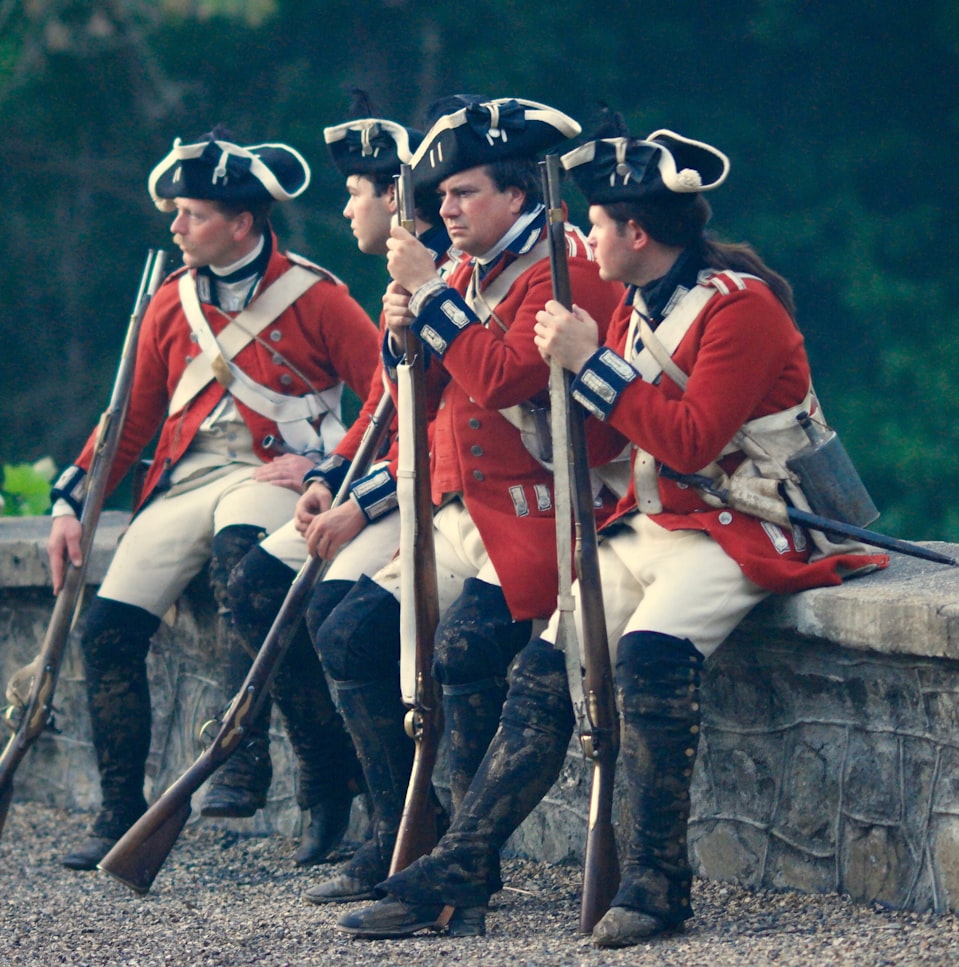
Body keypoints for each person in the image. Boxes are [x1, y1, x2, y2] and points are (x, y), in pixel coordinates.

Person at [334, 129, 890, 945]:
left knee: (650, 658)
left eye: (596, 224)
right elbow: (588, 433)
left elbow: (693, 439)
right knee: (538, 672)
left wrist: (591, 364)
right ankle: (462, 864)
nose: (584, 240)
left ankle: (658, 881)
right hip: (662, 519)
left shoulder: (741, 309)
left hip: (750, 523)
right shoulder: (637, 299)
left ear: (636, 234)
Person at [302, 96, 624, 910]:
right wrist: (402, 327)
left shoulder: (564, 265)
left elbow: (509, 375)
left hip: (543, 511)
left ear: (517, 195)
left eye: (464, 192)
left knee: (464, 652)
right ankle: (399, 829)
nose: (443, 209)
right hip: (467, 507)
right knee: (345, 635)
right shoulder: (463, 272)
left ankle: (463, 867)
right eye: (440, 195)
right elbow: (421, 392)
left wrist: (432, 298)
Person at [47, 127, 380, 871]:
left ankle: (243, 755)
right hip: (188, 477)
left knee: (242, 557)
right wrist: (72, 501)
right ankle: (119, 809)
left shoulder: (319, 296)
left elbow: (387, 386)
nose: (175, 226)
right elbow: (129, 417)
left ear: (242, 221)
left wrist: (325, 462)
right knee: (105, 627)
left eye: (190, 213)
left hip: (273, 477)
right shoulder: (170, 302)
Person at [221, 112, 454, 864]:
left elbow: (445, 439)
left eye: (356, 191)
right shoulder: (403, 282)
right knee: (256, 582)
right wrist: (327, 477)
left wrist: (361, 503)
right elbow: (384, 411)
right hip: (394, 483)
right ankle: (330, 779)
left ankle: (405, 822)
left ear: (396, 197)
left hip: (440, 498)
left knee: (337, 618)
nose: (347, 209)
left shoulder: (448, 282)